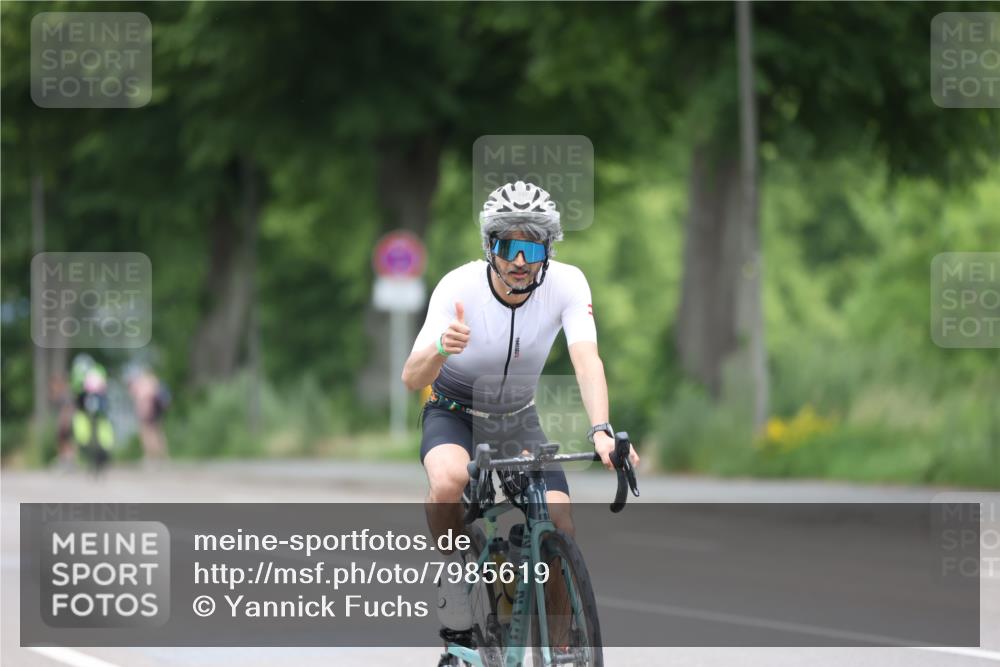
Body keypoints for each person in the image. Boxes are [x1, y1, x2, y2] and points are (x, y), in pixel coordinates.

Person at [401, 181, 639, 660]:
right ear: (490, 246)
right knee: (449, 481)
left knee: (558, 522)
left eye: (532, 247)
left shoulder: (568, 284)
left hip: (517, 418)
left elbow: (587, 359)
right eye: (508, 245)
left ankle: (564, 641)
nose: (519, 261)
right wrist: (442, 348)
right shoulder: (458, 286)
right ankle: (455, 574)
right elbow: (411, 377)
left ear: (548, 249)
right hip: (454, 412)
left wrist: (601, 429)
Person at [125, 364, 171, 463]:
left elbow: (143, 398)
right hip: (156, 410)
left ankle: (151, 456)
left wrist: (144, 410)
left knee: (147, 433)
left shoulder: (142, 382)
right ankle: (162, 456)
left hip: (148, 410)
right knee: (157, 432)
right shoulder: (154, 381)